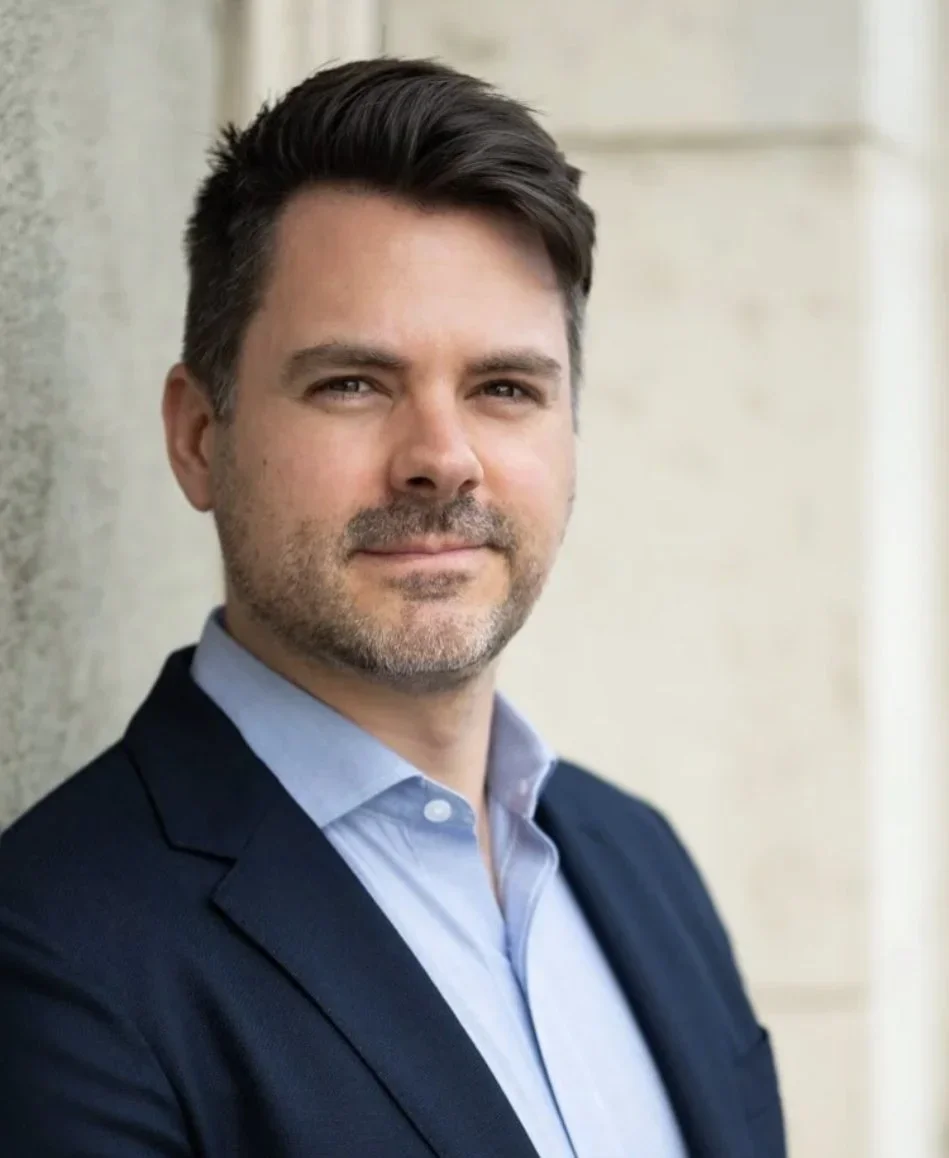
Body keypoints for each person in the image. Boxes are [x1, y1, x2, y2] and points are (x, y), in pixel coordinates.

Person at [0, 57, 785, 1158]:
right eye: (353, 384)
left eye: (504, 388)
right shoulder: (53, 957)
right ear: (199, 437)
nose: (441, 460)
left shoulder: (639, 864)